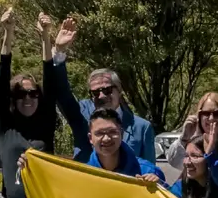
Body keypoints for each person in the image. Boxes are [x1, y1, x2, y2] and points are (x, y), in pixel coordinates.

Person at [52, 22, 155, 163]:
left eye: (107, 90)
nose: (101, 96)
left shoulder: (141, 128)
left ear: (119, 90)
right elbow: (61, 92)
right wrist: (60, 52)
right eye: (95, 93)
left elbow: (150, 170)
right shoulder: (81, 115)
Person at [0, 9, 63, 198]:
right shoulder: (7, 127)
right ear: (13, 98)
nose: (28, 98)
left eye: (33, 93)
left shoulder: (45, 125)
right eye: (21, 94)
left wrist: (45, 36)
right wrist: (8, 33)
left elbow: (51, 81)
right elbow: (1, 81)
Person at [167, 90, 218, 171]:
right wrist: (184, 138)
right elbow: (174, 162)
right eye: (206, 113)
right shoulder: (193, 144)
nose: (211, 118)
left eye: (217, 114)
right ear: (199, 116)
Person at [82, 108, 163, 181]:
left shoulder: (148, 171)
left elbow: (167, 196)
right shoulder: (83, 176)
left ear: (122, 134)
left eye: (112, 132)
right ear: (90, 138)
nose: (106, 138)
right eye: (99, 133)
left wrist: (158, 186)